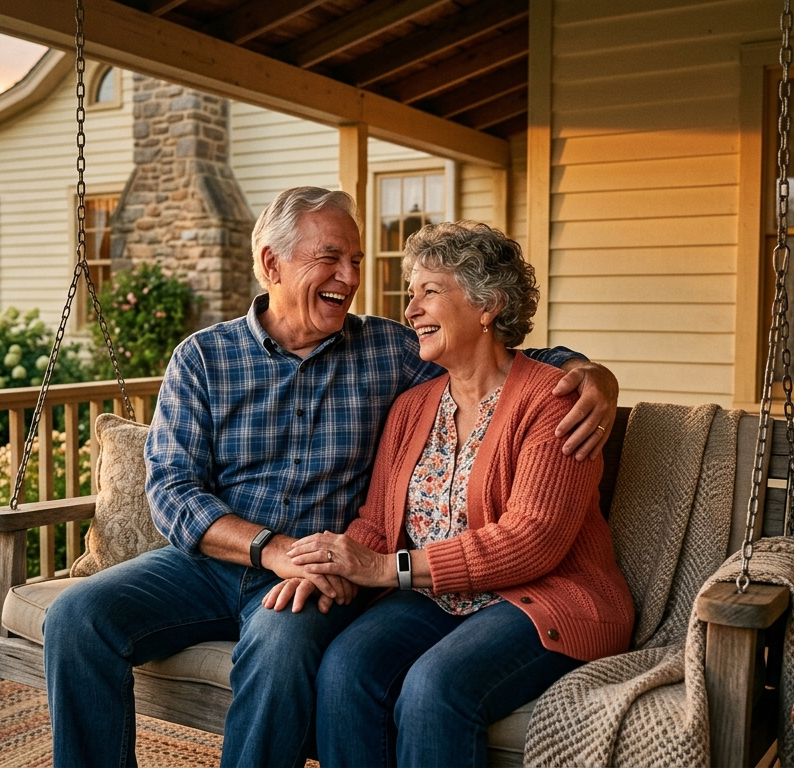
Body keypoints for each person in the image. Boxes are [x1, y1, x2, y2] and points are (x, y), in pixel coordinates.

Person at [42, 188, 620, 768]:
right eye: (331, 257)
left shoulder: (390, 351)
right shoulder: (204, 357)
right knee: (76, 616)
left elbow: (493, 355)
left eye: (357, 261)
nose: (350, 277)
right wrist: (272, 549)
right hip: (213, 562)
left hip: (322, 570)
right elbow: (169, 490)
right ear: (272, 263)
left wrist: (589, 373)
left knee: (284, 646)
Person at [276, 221, 636, 768]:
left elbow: (530, 541)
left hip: (540, 598)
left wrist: (386, 569)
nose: (411, 310)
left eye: (429, 292)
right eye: (410, 294)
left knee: (434, 686)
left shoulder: (554, 401)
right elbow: (376, 523)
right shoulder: (412, 406)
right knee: (346, 667)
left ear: (488, 304)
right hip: (438, 599)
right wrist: (330, 563)